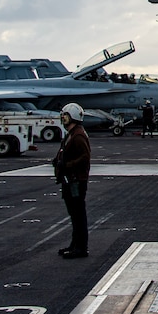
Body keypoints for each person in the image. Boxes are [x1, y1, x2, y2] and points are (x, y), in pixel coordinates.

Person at [54, 103, 91, 259]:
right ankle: (75, 245)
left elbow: (85, 157)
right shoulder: (71, 134)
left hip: (76, 181)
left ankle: (81, 248)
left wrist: (67, 165)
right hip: (70, 180)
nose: (63, 118)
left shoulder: (78, 135)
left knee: (78, 215)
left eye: (65, 115)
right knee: (74, 215)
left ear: (72, 116)